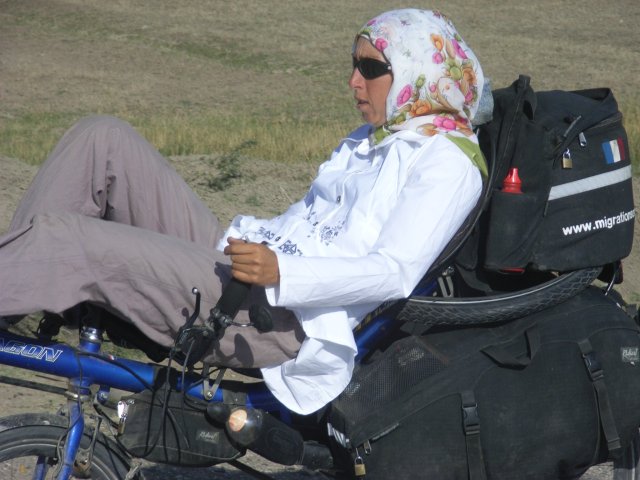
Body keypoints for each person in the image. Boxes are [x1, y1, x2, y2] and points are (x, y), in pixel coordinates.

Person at [0, 8, 487, 414]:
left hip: (281, 318)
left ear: (417, 72)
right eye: (354, 64)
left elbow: (394, 272)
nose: (353, 81)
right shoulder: (377, 137)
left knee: (70, 240)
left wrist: (282, 271)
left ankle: (20, 277)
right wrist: (265, 254)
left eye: (371, 68)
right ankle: (16, 303)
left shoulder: (448, 163)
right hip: (243, 268)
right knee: (101, 137)